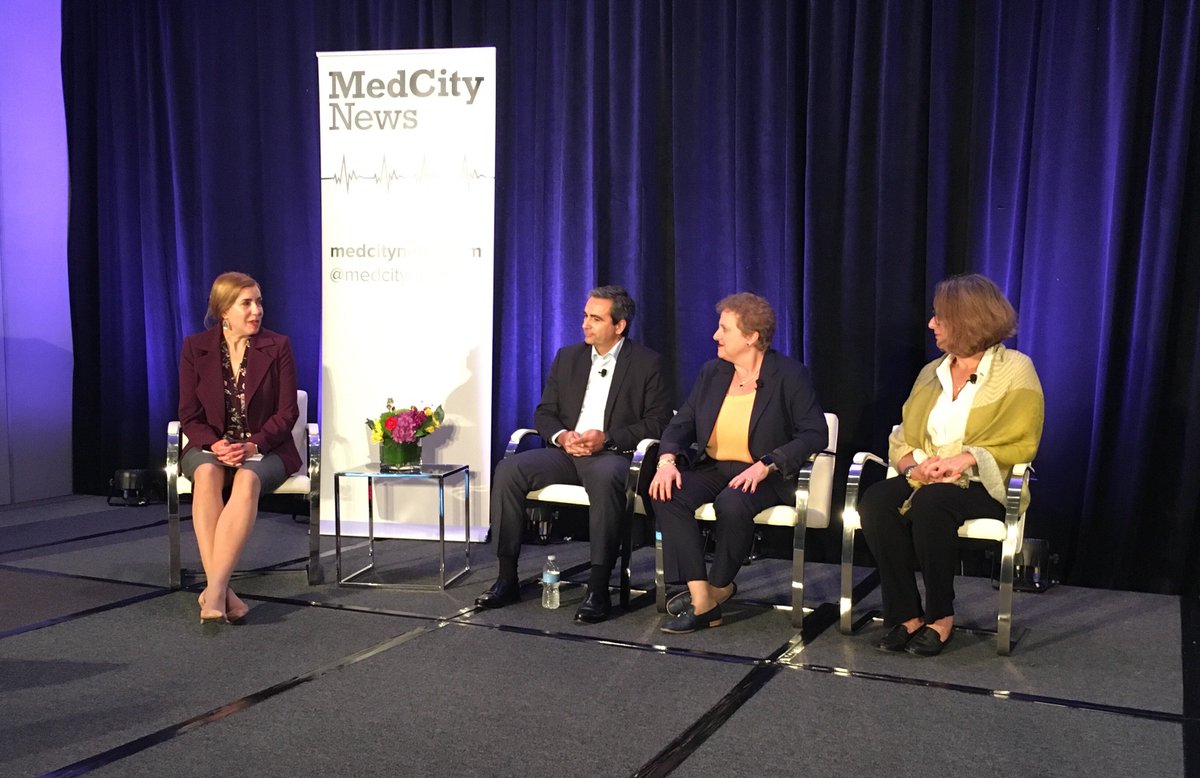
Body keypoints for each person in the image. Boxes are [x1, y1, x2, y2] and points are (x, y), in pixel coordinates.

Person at [858, 274, 1043, 656]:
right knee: (876, 500)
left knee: (933, 503)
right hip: (928, 479)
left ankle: (940, 617)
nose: (930, 324)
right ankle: (906, 614)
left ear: (967, 320)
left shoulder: (1015, 369)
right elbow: (903, 437)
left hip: (985, 484)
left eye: (938, 317)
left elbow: (1022, 439)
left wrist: (968, 457)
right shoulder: (932, 372)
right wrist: (913, 468)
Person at [476, 285, 673, 623]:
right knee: (510, 470)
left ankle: (598, 588)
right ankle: (506, 576)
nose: (585, 324)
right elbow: (544, 413)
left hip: (611, 454)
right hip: (565, 452)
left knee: (607, 476)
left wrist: (607, 439)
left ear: (619, 325)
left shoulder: (646, 363)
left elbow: (656, 422)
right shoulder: (568, 357)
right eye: (585, 316)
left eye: (595, 318)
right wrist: (562, 435)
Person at [649, 293, 827, 634]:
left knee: (731, 502)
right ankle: (703, 598)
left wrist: (768, 463)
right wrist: (667, 460)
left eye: (724, 329)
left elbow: (815, 433)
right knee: (666, 493)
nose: (716, 336)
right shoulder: (713, 373)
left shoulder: (788, 375)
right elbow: (681, 423)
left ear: (751, 336)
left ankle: (717, 589)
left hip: (763, 475)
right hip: (714, 467)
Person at [178, 272, 300, 624]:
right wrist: (215, 444)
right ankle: (223, 590)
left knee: (246, 480)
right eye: (246, 303)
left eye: (258, 302)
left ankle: (214, 592)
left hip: (268, 447)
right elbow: (188, 415)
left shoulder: (278, 346)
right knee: (206, 472)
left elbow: (286, 412)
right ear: (223, 311)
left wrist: (252, 444)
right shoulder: (195, 348)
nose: (256, 310)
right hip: (210, 445)